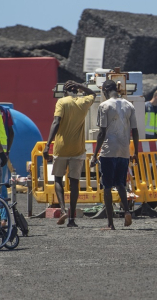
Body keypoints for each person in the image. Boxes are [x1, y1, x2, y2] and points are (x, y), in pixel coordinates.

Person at [44, 80, 97, 228]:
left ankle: (62, 210)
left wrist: (48, 144)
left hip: (61, 148)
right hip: (78, 149)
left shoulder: (62, 102)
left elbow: (56, 122)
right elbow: (93, 93)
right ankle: (72, 219)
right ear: (77, 90)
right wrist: (81, 86)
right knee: (74, 182)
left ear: (65, 91)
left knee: (58, 179)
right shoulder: (84, 101)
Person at [94, 79, 140, 230]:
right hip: (124, 150)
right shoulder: (129, 105)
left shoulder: (104, 106)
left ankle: (110, 223)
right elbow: (135, 130)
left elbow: (102, 132)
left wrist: (95, 154)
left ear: (105, 90)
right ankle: (126, 211)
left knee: (107, 186)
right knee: (120, 183)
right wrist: (136, 153)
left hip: (109, 149)